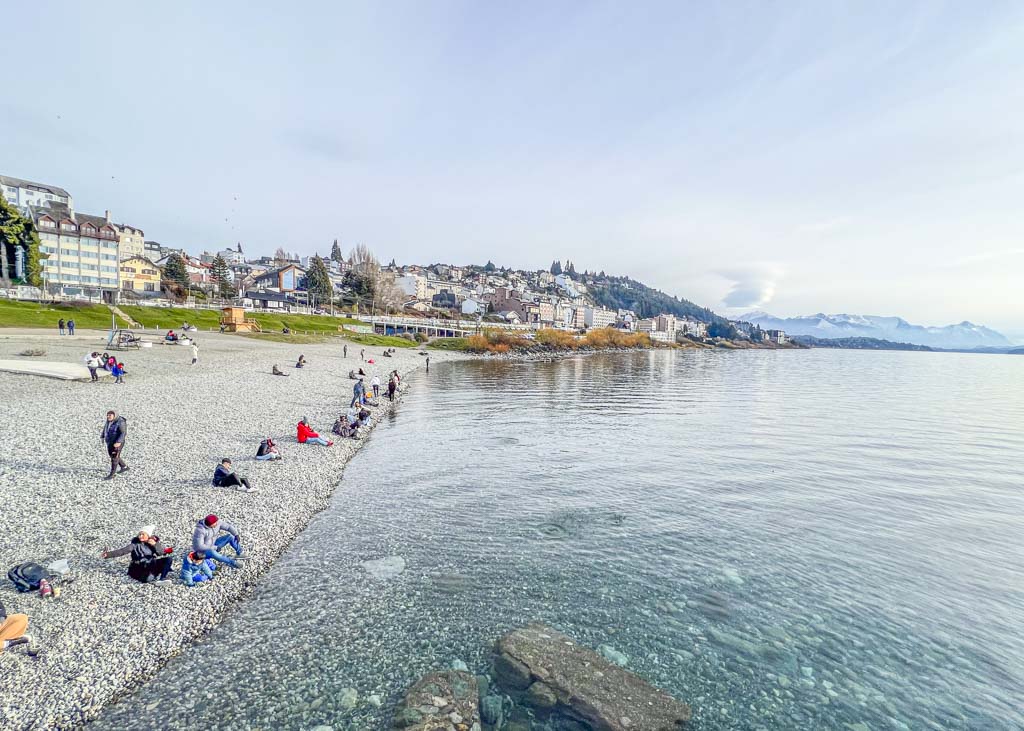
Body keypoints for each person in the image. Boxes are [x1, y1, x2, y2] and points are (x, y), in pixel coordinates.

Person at [101, 525, 174, 585]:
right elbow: (122, 551)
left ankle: (162, 578)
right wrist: (108, 555)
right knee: (148, 579)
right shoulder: (135, 545)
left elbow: (160, 553)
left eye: (143, 534)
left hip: (151, 564)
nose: (140, 536)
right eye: (139, 534)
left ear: (148, 535)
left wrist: (155, 545)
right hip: (139, 567)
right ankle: (158, 572)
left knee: (168, 559)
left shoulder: (152, 543)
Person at [102, 410, 128, 479]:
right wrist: (102, 436)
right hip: (110, 441)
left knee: (114, 457)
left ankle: (112, 474)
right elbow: (105, 428)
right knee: (112, 455)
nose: (108, 417)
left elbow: (123, 433)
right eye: (107, 415)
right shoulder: (108, 421)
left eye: (110, 415)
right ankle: (124, 466)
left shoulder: (121, 422)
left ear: (114, 415)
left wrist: (118, 442)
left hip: (117, 442)